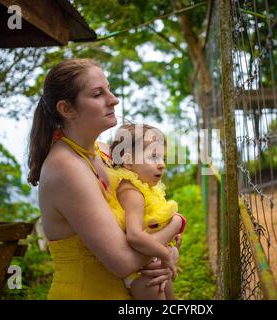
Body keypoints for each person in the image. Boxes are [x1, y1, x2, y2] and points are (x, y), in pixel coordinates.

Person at [27, 59, 182, 299]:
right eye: (98, 94)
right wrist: (174, 226)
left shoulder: (105, 151)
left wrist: (170, 252)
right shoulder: (65, 167)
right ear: (67, 109)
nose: (114, 99)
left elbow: (145, 219)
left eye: (108, 89)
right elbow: (123, 262)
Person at [107, 123, 187, 300]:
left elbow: (149, 221)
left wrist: (167, 233)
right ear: (128, 161)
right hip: (142, 273)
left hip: (152, 262)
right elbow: (134, 235)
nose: (161, 164)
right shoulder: (132, 192)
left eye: (162, 158)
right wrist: (166, 254)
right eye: (153, 157)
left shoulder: (145, 188)